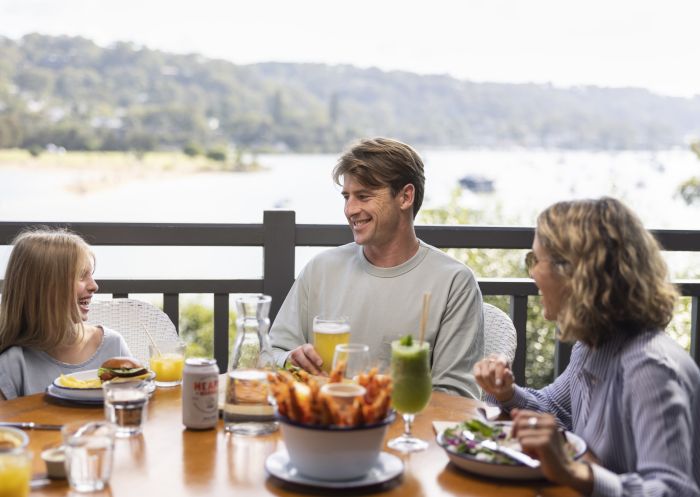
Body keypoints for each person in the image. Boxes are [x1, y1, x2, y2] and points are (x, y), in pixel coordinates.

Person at [474, 197, 700, 496]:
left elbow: (675, 490)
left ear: (575, 273)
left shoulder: (650, 368)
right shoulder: (593, 344)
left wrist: (575, 472)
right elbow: (556, 410)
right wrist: (506, 392)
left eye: (534, 260)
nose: (532, 274)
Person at [269, 137, 484, 398]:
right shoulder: (320, 269)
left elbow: (455, 396)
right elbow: (270, 354)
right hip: (320, 428)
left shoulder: (454, 282)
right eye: (347, 197)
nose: (350, 210)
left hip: (402, 434)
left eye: (363, 196)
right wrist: (290, 359)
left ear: (405, 197)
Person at [0, 228, 132, 400]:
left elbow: (138, 406)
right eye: (81, 276)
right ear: (45, 288)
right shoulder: (11, 365)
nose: (94, 286)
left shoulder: (114, 345)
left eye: (91, 275)